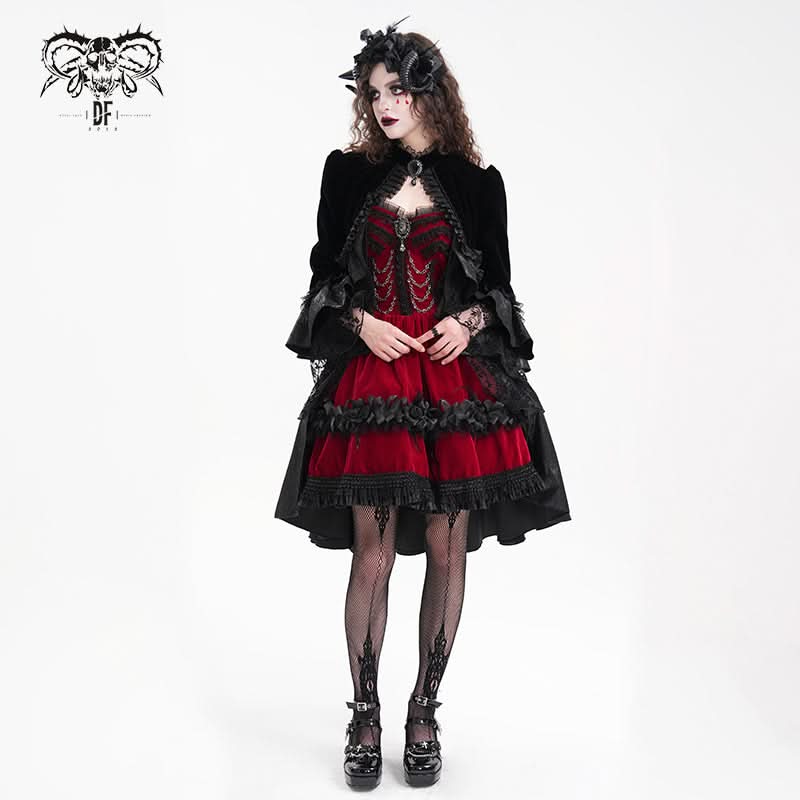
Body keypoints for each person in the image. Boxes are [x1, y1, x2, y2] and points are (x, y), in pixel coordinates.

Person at [274, 16, 571, 789]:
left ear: (429, 93)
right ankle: (364, 713)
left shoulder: (477, 183)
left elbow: (498, 289)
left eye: (397, 90)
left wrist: (465, 322)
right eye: (373, 93)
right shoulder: (347, 174)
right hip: (375, 384)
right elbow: (323, 282)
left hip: (453, 386)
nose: (383, 105)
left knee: (446, 550)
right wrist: (360, 323)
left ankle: (423, 711)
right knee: (372, 554)